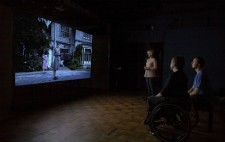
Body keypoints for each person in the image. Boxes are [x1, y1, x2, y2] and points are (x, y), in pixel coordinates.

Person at [144, 56, 191, 126]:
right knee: (154, 97)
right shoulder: (183, 75)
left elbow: (164, 91)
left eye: (171, 61)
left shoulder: (174, 75)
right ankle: (167, 118)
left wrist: (156, 96)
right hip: (181, 99)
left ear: (174, 63)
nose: (170, 63)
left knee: (150, 99)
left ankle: (151, 120)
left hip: (173, 100)